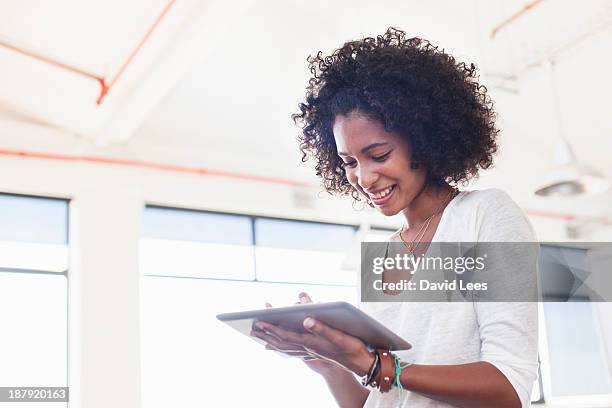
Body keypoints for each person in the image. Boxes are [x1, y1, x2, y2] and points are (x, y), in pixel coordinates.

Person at [251, 27, 538, 408]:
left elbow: (509, 388)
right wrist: (328, 361)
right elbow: (377, 400)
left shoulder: (485, 215)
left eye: (379, 155)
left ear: (424, 138)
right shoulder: (380, 257)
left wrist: (376, 366)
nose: (364, 178)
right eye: (349, 162)